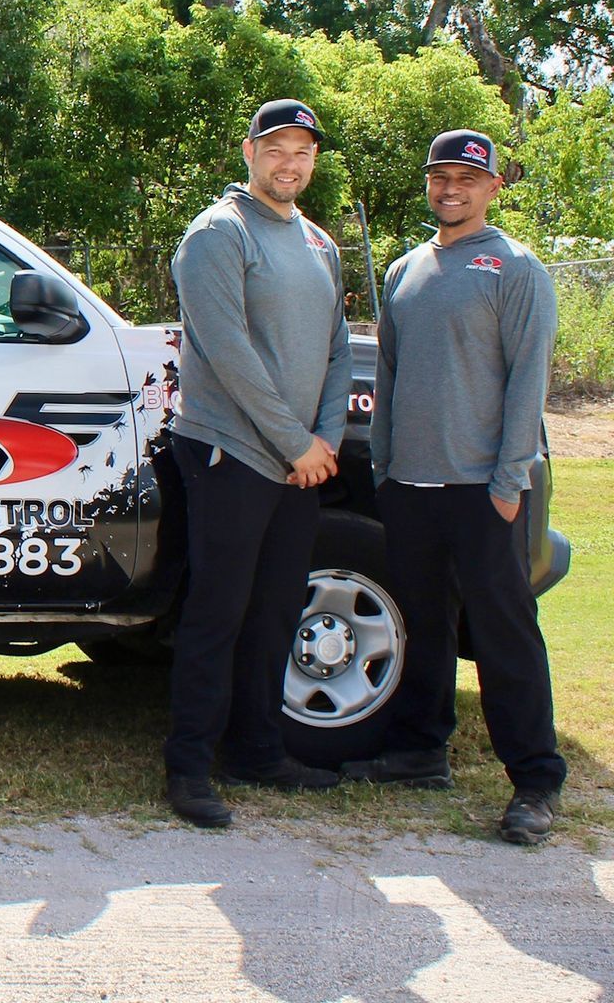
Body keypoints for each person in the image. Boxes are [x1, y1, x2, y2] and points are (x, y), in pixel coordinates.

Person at [348, 129, 566, 845]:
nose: (451, 190)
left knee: (504, 633)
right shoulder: (406, 270)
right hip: (410, 485)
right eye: (441, 177)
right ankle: (418, 752)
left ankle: (535, 780)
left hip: (486, 489)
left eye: (467, 180)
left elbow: (528, 383)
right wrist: (382, 466)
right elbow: (388, 374)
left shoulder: (515, 268)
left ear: (492, 187)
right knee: (423, 627)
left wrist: (509, 483)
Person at [165, 98, 351, 828]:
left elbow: (337, 348)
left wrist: (323, 439)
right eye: (277, 148)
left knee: (275, 611)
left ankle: (257, 751)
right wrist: (292, 442)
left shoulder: (318, 244)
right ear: (249, 152)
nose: (290, 163)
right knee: (218, 611)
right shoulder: (219, 234)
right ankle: (189, 766)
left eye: (302, 151)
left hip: (300, 461)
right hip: (230, 452)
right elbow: (229, 353)